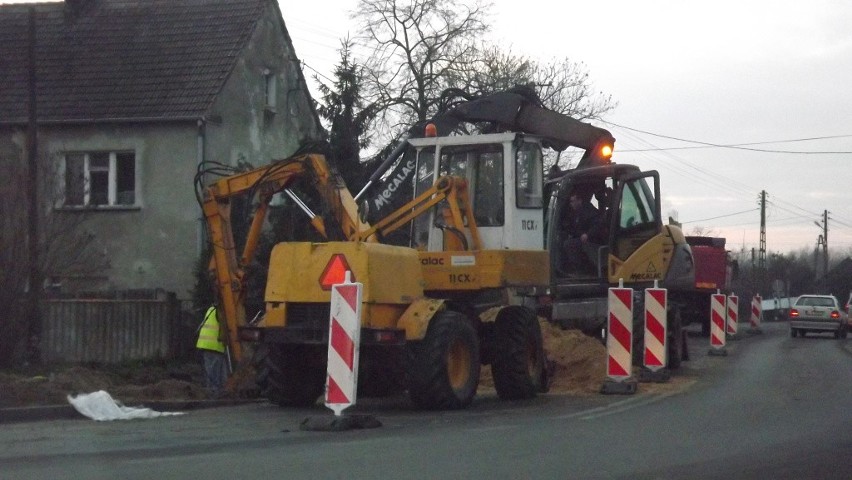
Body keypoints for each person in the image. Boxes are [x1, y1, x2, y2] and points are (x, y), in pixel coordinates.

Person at [562, 192, 604, 275]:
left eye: (572, 201)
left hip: (593, 240)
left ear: (579, 200)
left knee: (569, 244)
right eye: (570, 202)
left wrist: (587, 234)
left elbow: (598, 226)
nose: (571, 204)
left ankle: (579, 270)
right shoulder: (575, 213)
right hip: (581, 239)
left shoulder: (589, 211)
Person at [197, 304, 227, 397]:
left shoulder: (211, 309)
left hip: (206, 344)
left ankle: (212, 391)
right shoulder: (221, 312)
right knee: (214, 371)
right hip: (215, 345)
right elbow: (224, 329)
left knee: (210, 370)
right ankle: (214, 392)